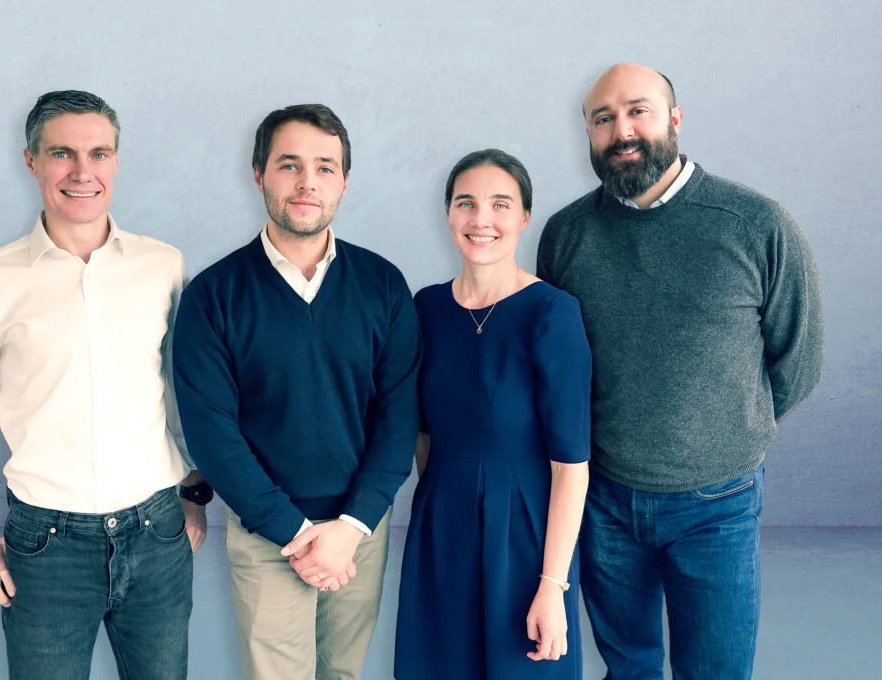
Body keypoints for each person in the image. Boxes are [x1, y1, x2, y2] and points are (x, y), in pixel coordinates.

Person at [537, 64, 825, 680]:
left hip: (717, 503)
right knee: (629, 669)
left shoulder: (757, 224)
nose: (622, 130)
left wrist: (724, 429)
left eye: (638, 111)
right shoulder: (566, 235)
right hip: (604, 500)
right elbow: (556, 368)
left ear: (675, 118)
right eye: (603, 118)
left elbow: (799, 359)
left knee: (716, 671)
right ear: (588, 132)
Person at [0, 90, 209, 680]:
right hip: (46, 546)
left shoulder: (162, 266)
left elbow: (183, 391)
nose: (82, 172)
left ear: (116, 161)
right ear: (32, 161)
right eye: (62, 153)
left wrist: (191, 495)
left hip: (158, 533)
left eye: (98, 154)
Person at [172, 103, 422, 680]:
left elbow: (398, 417)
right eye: (289, 165)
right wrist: (297, 533)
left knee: (343, 675)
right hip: (267, 533)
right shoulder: (213, 295)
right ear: (259, 174)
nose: (308, 182)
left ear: (344, 181)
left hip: (360, 530)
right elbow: (212, 434)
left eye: (325, 167)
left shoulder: (383, 284)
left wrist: (351, 527)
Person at [395, 149, 592, 679]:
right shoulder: (426, 308)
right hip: (442, 525)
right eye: (466, 203)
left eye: (500, 204)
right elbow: (422, 435)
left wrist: (553, 585)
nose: (481, 219)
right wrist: (445, 503)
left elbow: (571, 467)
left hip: (526, 536)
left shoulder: (552, 312)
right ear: (448, 214)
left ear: (524, 216)